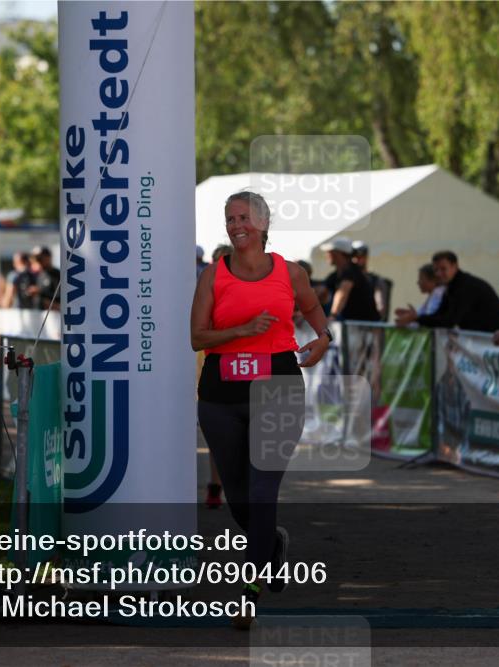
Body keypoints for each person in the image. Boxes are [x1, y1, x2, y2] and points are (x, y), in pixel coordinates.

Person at [191, 191, 330, 628]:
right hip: (221, 396)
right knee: (237, 497)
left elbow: (312, 310)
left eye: (245, 218)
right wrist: (243, 329)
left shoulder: (291, 272)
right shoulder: (214, 276)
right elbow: (197, 338)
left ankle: (248, 593)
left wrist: (323, 338)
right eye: (230, 218)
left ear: (264, 223)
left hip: (279, 389)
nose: (237, 225)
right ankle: (271, 542)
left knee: (262, 490)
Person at [395, 251, 499, 332]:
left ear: (455, 266)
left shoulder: (465, 287)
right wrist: (416, 317)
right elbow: (440, 314)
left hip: (496, 339)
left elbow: (449, 321)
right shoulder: (452, 287)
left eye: (443, 269)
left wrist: (416, 318)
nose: (439, 274)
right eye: (436, 270)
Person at [321, 237, 380, 322]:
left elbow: (342, 294)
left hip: (364, 328)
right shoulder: (335, 275)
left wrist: (333, 316)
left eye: (330, 252)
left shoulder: (352, 271)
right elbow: (321, 291)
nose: (327, 255)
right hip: (354, 326)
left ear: (338, 254)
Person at [352, 241, 392, 321]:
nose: (356, 260)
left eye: (360, 257)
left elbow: (381, 308)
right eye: (354, 257)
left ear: (365, 257)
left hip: (368, 327)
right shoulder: (345, 279)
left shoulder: (376, 280)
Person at [27, 246, 60, 311]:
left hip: (54, 316)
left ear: (49, 257)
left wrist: (40, 292)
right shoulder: (40, 274)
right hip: (38, 314)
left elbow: (60, 297)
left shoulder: (57, 274)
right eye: (36, 260)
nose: (39, 262)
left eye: (40, 259)